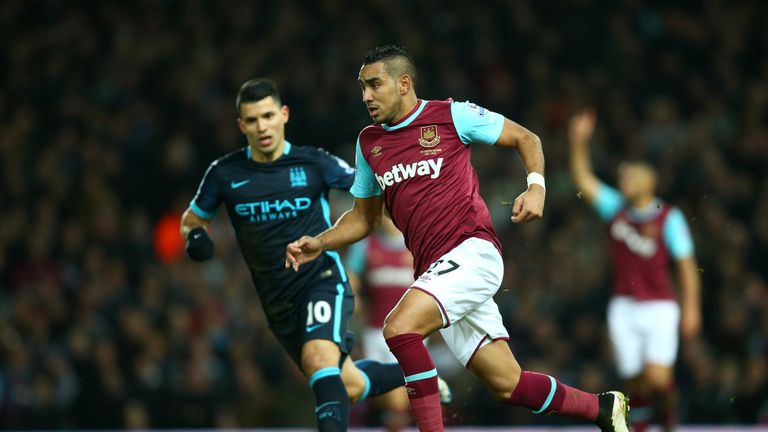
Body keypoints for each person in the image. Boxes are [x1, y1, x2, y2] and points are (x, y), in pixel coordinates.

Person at [286, 45, 630, 432]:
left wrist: (536, 187)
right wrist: (322, 241)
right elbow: (365, 218)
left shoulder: (451, 115)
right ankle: (601, 408)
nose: (366, 96)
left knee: (399, 328)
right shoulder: (369, 143)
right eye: (362, 87)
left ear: (403, 83)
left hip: (472, 251)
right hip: (435, 273)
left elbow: (525, 137)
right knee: (508, 384)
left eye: (374, 85)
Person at [180, 78, 440, 432]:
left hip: (321, 280)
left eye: (268, 116)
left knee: (318, 359)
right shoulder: (225, 174)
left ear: (283, 115)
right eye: (253, 120)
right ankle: (420, 373)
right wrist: (195, 235)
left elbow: (373, 187)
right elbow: (193, 218)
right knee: (346, 384)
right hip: (277, 301)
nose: (262, 126)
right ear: (242, 125)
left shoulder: (314, 163)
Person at [568, 110, 701, 432]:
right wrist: (578, 142)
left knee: (658, 378)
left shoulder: (669, 218)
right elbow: (584, 181)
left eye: (631, 176)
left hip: (659, 305)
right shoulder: (615, 208)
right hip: (624, 305)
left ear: (649, 182)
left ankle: (667, 418)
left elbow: (685, 266)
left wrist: (692, 308)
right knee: (634, 379)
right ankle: (640, 426)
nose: (624, 180)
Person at [345, 214, 419, 429]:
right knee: (378, 394)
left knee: (398, 398)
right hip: (374, 333)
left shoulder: (417, 244)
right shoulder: (366, 246)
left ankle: (397, 419)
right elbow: (352, 283)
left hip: (412, 334)